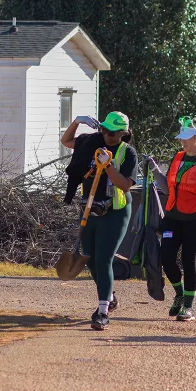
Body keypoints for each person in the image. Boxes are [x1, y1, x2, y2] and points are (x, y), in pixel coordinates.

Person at [61, 111, 138, 331]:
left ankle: (102, 312)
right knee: (91, 259)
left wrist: (108, 165)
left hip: (116, 211)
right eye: (103, 129)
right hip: (91, 209)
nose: (107, 135)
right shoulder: (92, 143)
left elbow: (124, 185)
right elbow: (66, 141)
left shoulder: (127, 152)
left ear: (123, 133)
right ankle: (110, 296)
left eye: (112, 132)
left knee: (103, 258)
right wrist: (76, 122)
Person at [146, 117, 196, 322]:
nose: (183, 142)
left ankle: (188, 306)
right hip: (172, 216)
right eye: (181, 139)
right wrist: (154, 168)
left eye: (186, 139)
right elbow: (167, 187)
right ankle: (178, 293)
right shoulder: (178, 157)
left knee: (189, 260)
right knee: (167, 257)